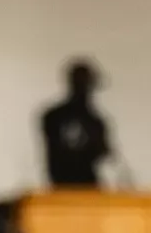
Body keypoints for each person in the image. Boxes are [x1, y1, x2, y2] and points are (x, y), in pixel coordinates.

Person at [39, 58, 114, 188]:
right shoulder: (93, 121)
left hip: (77, 186)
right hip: (67, 185)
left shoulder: (52, 116)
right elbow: (103, 152)